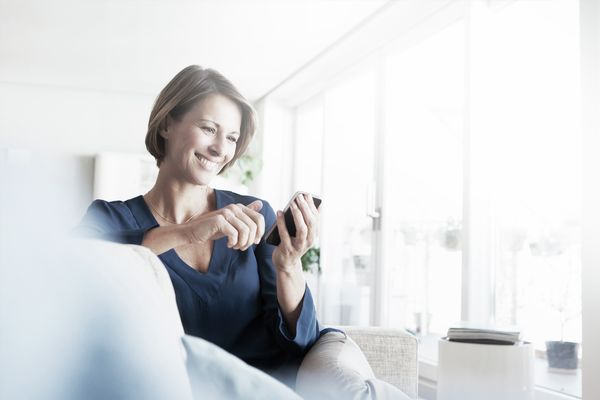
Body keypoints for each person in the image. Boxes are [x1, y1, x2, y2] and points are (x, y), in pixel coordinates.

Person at [76, 65, 328, 387]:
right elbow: (72, 281)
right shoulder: (108, 220)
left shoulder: (255, 215)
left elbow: (301, 342)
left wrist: (289, 266)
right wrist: (187, 232)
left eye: (232, 138)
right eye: (209, 129)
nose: (221, 149)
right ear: (167, 124)